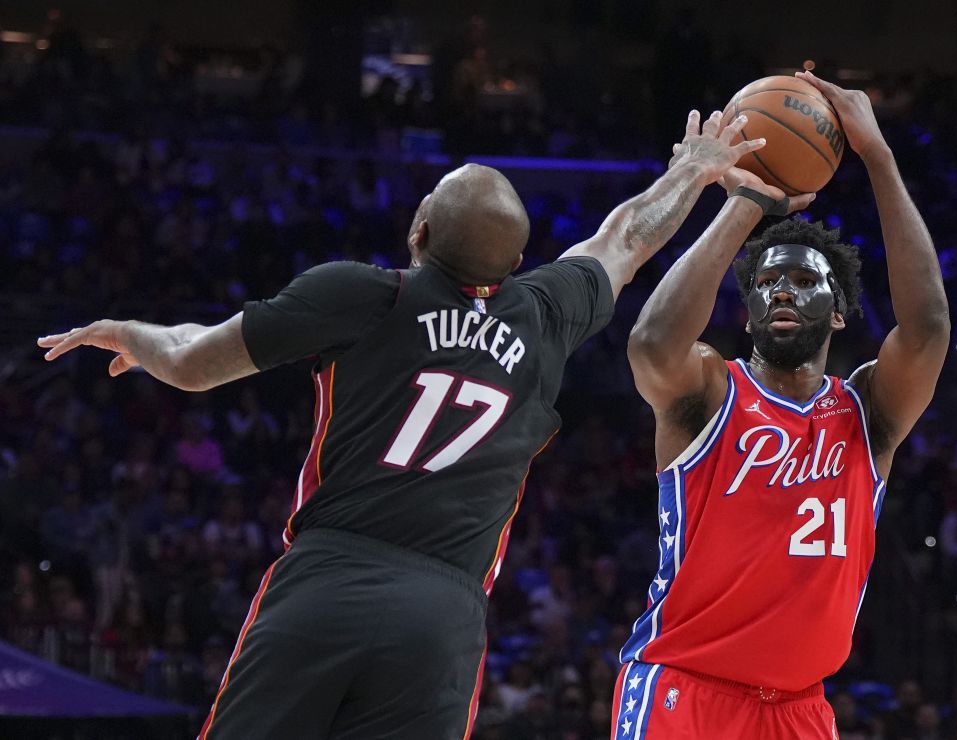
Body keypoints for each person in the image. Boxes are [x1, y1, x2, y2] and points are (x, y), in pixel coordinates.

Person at [38, 108, 781, 740]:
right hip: (443, 614)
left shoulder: (360, 295)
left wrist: (134, 334)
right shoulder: (545, 313)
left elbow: (194, 361)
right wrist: (696, 169)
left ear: (419, 227)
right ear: (519, 259)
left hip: (329, 579)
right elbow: (625, 239)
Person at [611, 70, 950, 739]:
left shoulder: (868, 415)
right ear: (748, 309)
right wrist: (745, 203)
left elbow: (930, 327)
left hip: (800, 707)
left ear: (842, 313)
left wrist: (877, 156)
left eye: (803, 279)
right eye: (766, 283)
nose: (782, 293)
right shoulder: (711, 390)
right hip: (686, 690)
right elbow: (651, 343)